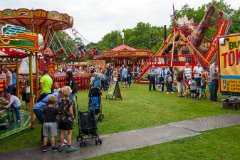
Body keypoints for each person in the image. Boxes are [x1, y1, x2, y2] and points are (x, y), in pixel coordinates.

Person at [57, 86, 77, 153]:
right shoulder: (70, 101)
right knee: (69, 132)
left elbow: (58, 109)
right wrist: (72, 116)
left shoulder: (60, 100)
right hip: (68, 119)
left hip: (61, 119)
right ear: (69, 93)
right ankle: (69, 146)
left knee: (62, 132)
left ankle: (61, 145)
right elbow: (71, 111)